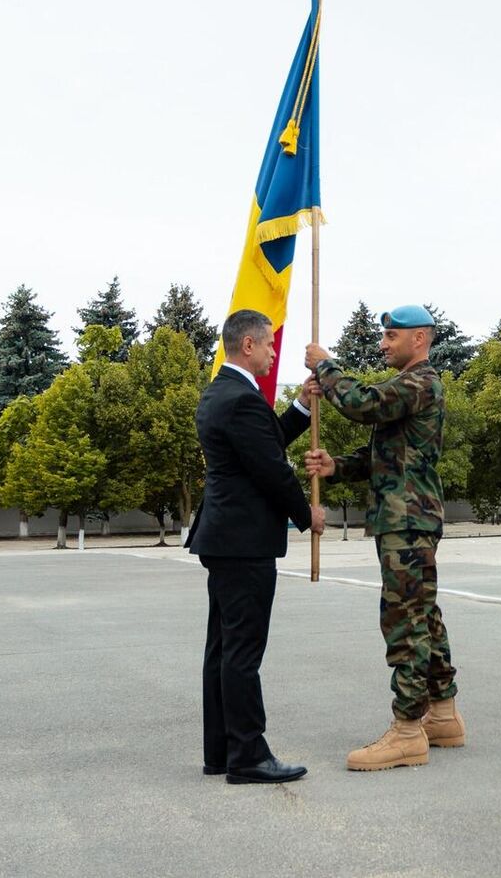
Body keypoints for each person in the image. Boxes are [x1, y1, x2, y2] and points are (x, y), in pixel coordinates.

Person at [300, 305, 461, 771]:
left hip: (406, 519)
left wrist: (325, 367)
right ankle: (444, 714)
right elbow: (387, 458)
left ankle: (408, 730)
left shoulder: (420, 382)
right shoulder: (409, 389)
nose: (383, 344)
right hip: (405, 515)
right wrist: (338, 467)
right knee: (423, 614)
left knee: (404, 620)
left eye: (392, 336)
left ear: (420, 339)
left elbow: (362, 404)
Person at [185, 309, 323, 785]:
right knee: (242, 652)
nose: (272, 352)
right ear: (248, 344)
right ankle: (248, 755)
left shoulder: (223, 392)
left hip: (225, 538)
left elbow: (263, 445)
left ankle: (221, 751)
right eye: (268, 345)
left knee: (223, 649)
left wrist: (302, 408)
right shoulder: (241, 398)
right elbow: (271, 469)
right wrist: (308, 514)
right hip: (242, 542)